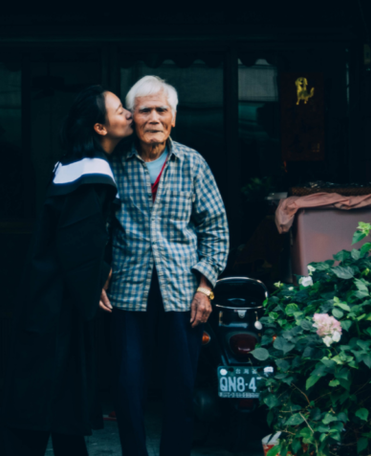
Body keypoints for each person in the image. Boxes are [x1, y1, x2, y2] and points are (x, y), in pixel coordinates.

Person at [0, 85, 133, 456]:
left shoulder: (74, 166)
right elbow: (79, 243)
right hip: (56, 307)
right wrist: (99, 274)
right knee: (42, 403)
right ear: (100, 128)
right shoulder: (89, 175)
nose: (129, 114)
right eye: (120, 109)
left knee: (56, 405)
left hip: (51, 298)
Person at [103, 75, 229, 456]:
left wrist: (205, 288)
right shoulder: (113, 164)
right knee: (127, 387)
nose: (154, 118)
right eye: (145, 110)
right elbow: (98, 226)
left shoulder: (193, 163)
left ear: (174, 117)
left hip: (183, 295)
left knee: (180, 389)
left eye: (162, 110)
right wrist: (97, 274)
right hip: (127, 292)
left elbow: (216, 227)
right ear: (131, 117)